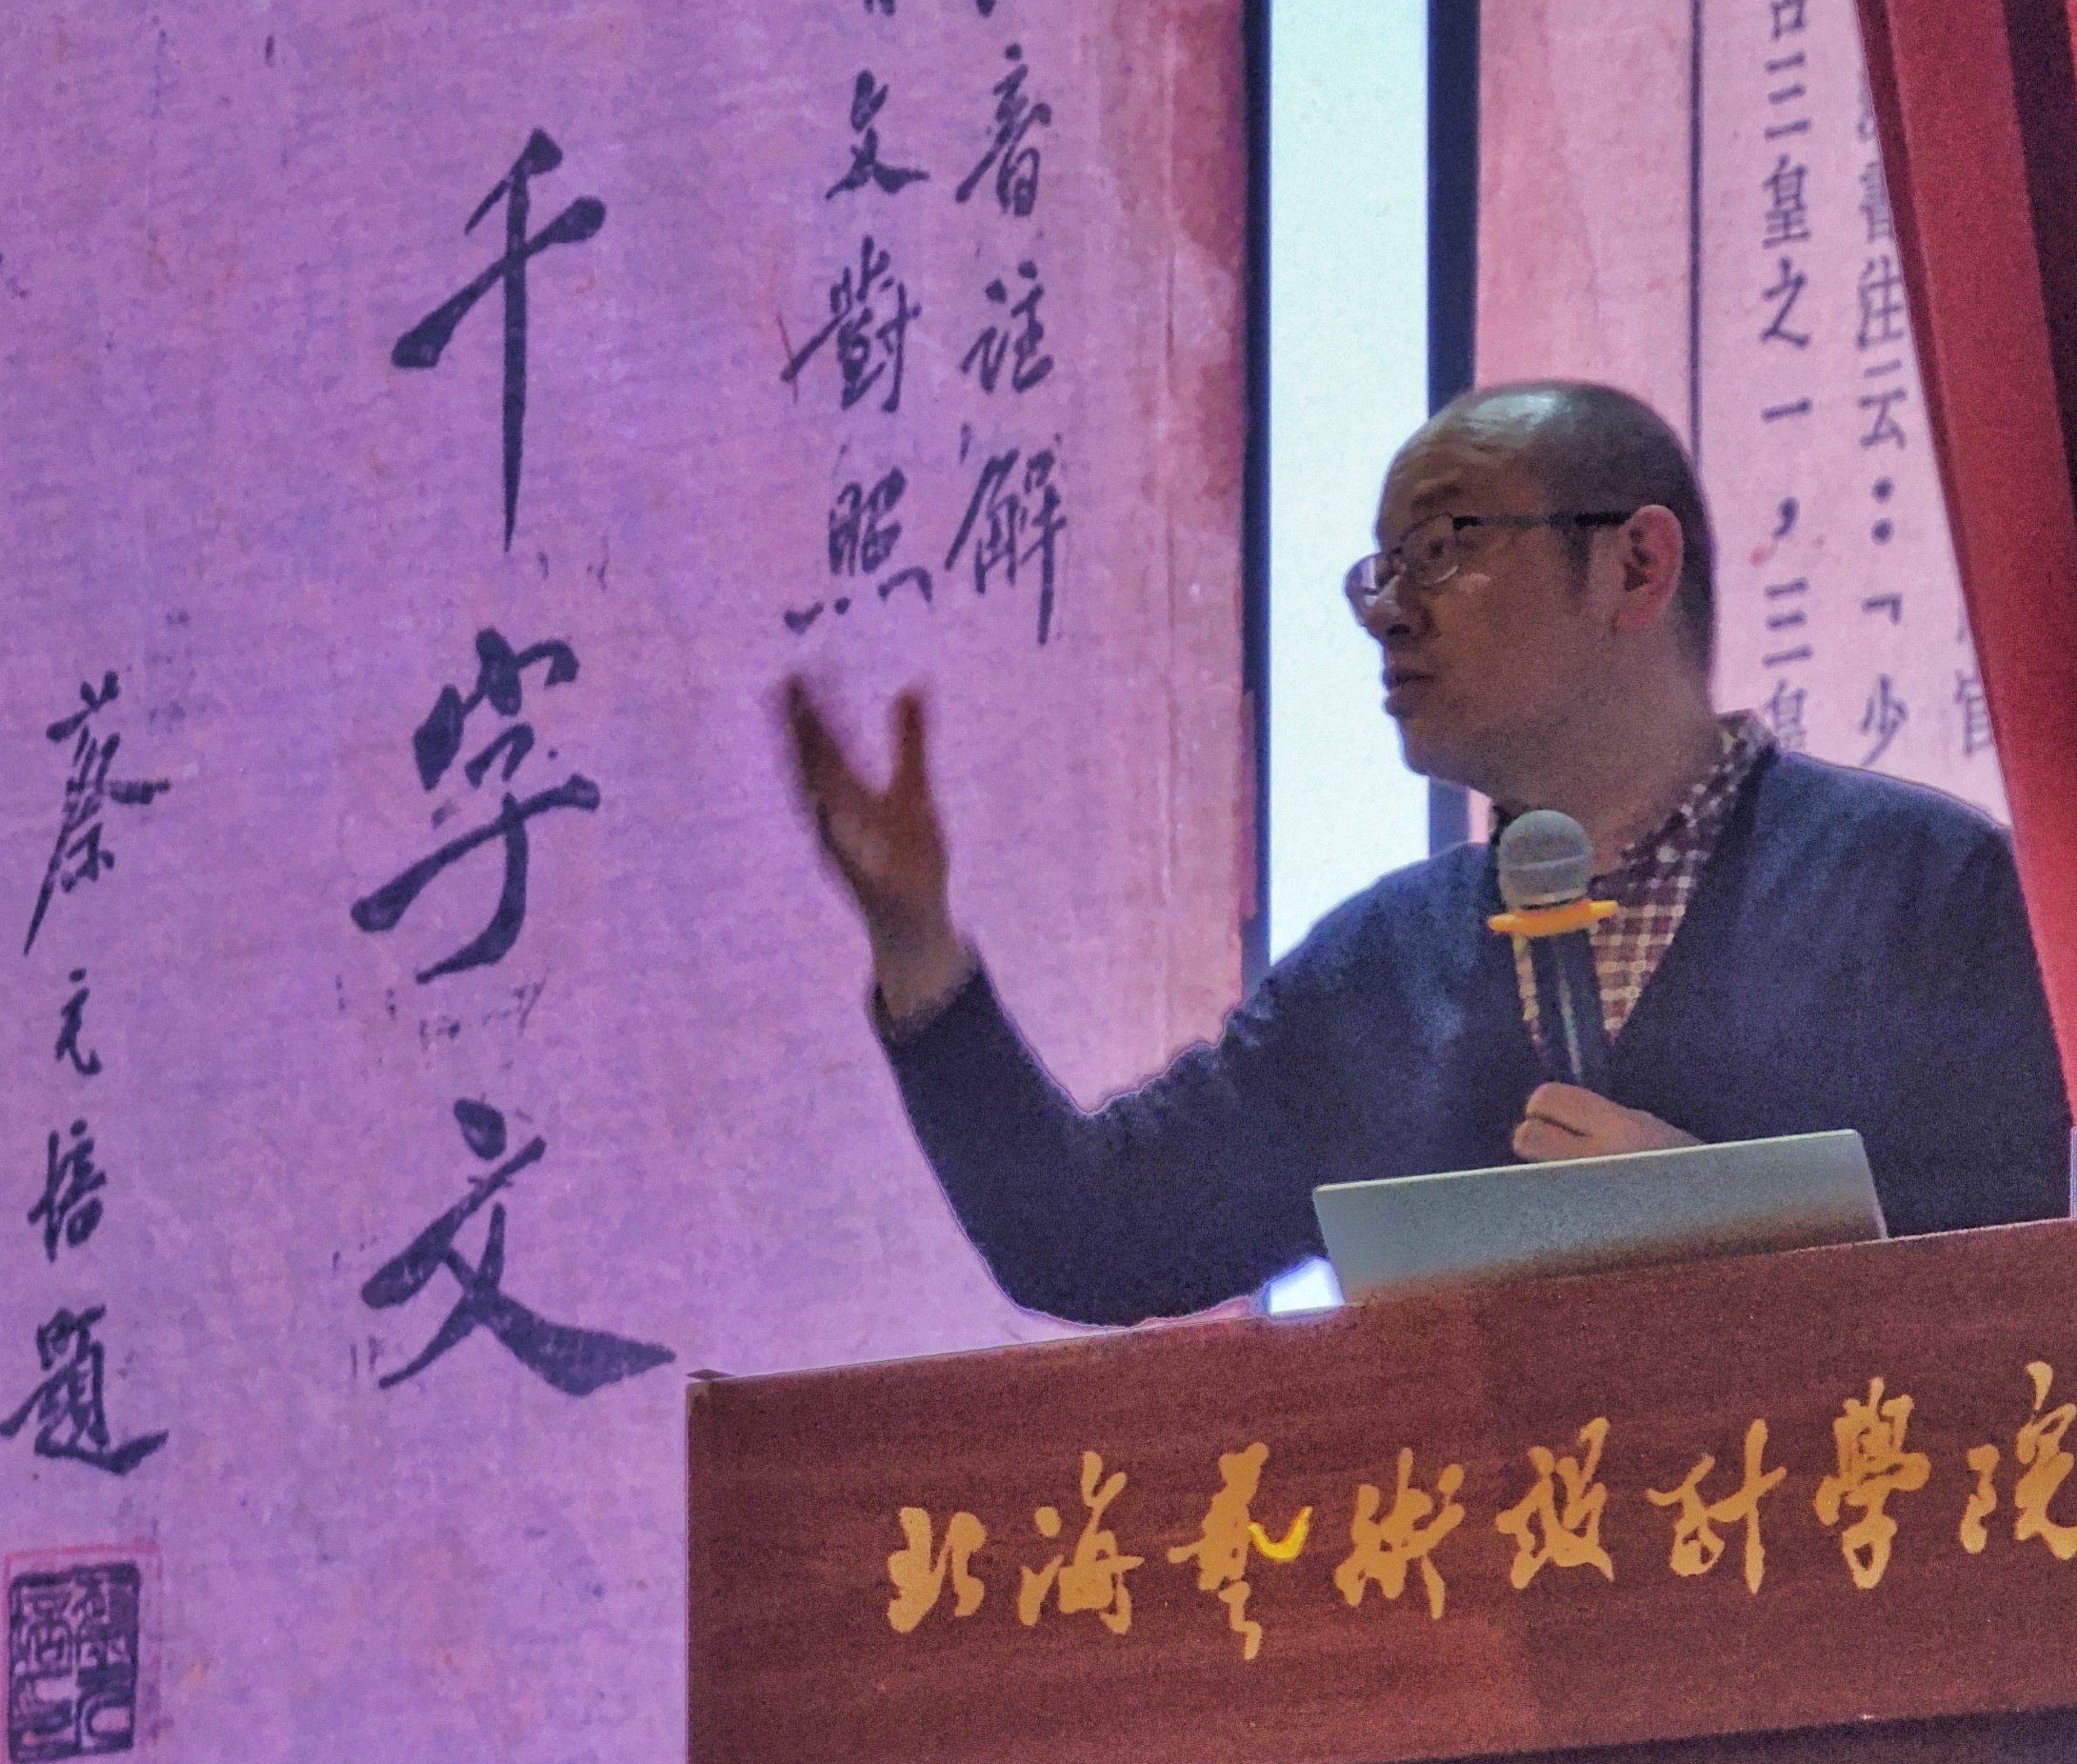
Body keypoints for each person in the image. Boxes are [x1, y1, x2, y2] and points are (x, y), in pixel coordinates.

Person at [786, 379, 2069, 1323]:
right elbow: (1088, 1236)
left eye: (1446, 550)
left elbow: (2026, 1306)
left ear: (1634, 565)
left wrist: (1746, 1242)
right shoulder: (1373, 970)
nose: (1388, 614)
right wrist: (915, 947)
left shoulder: (1930, 889)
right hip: (1483, 1610)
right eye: (1379, 572)